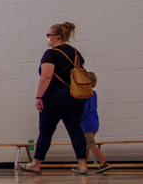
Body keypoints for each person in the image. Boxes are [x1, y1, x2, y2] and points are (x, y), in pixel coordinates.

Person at [21, 22, 93, 175]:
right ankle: (82, 165)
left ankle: (35, 164)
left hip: (54, 97)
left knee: (46, 132)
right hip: (74, 96)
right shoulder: (76, 53)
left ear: (56, 37)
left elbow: (47, 76)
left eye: (48, 35)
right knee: (75, 130)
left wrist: (39, 96)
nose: (46, 38)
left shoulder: (51, 53)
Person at [81, 90, 107, 169]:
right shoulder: (93, 93)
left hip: (86, 123)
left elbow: (83, 109)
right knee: (85, 146)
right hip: (94, 121)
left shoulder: (83, 94)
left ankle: (103, 162)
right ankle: (82, 165)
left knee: (91, 144)